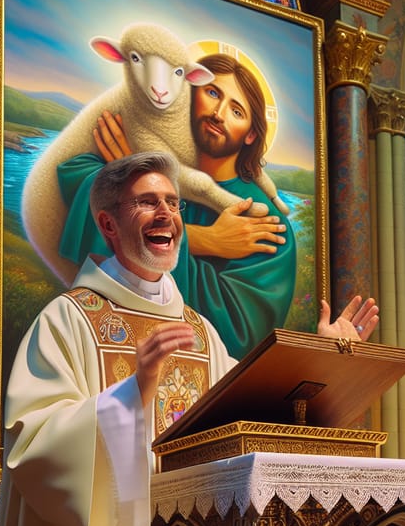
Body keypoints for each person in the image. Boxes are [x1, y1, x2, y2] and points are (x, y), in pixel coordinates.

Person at [0, 152, 379, 526]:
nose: (167, 213)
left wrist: (321, 361)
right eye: (147, 202)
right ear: (107, 223)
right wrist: (130, 396)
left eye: (173, 202)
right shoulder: (67, 322)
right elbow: (34, 449)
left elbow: (254, 409)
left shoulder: (200, 333)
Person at [56, 51, 296, 360]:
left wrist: (143, 220)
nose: (218, 113)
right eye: (212, 93)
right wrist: (201, 238)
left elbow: (237, 332)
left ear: (251, 134)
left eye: (236, 111)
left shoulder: (264, 222)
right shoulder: (146, 150)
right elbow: (73, 176)